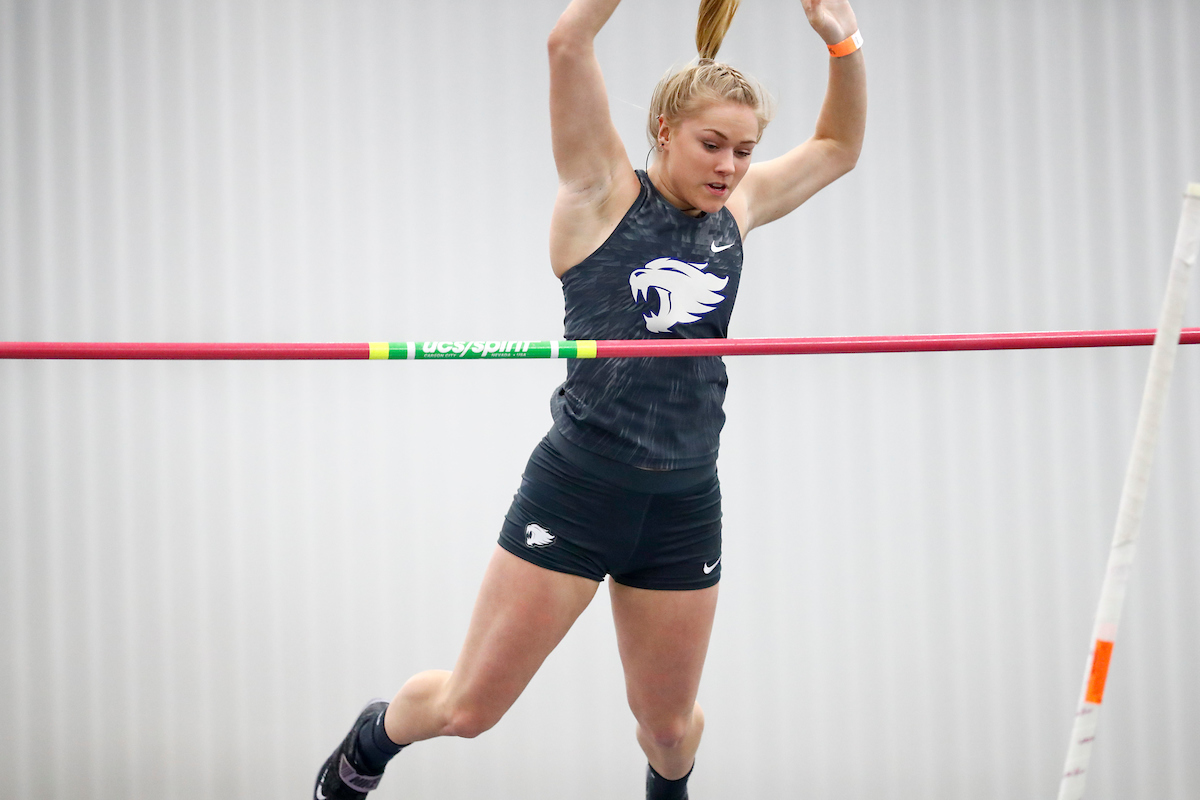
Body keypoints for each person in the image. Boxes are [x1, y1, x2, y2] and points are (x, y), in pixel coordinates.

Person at [314, 0, 865, 797]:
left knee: (670, 730)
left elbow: (839, 148)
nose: (730, 167)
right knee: (471, 708)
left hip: (682, 501)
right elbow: (568, 39)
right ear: (666, 130)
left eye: (745, 151)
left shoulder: (736, 214)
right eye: (713, 144)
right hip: (579, 490)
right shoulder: (601, 192)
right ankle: (373, 738)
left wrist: (841, 38)